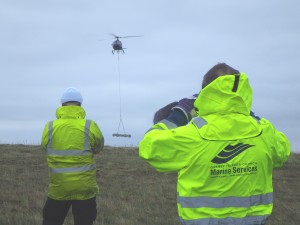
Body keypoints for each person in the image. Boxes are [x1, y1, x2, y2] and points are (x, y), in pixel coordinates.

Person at [139, 63, 290, 225]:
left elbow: (149, 147)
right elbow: (283, 151)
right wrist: (250, 116)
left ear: (204, 92)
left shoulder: (193, 135)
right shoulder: (263, 131)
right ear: (241, 90)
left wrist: (179, 115)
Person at [41, 87, 104, 225]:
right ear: (80, 104)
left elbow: (44, 147)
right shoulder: (90, 125)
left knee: (51, 221)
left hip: (58, 188)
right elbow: (99, 147)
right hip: (85, 189)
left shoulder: (50, 126)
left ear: (62, 104)